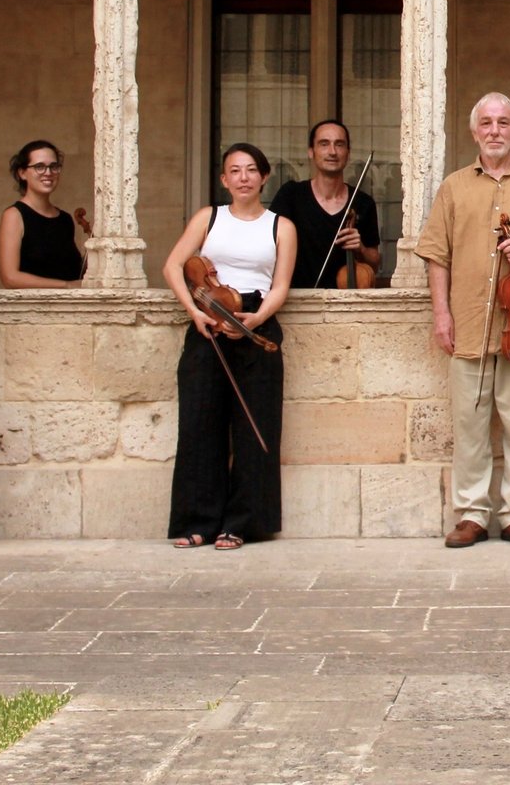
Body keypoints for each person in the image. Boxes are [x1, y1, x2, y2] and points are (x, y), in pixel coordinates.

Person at [417, 92, 510, 549]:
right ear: (474, 131)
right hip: (467, 319)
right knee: (469, 421)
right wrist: (441, 314)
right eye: (487, 123)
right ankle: (472, 514)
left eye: (503, 123)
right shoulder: (454, 187)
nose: (495, 130)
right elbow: (436, 255)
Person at [162, 143, 297, 550]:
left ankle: (241, 524)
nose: (243, 177)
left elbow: (281, 285)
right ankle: (197, 521)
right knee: (200, 425)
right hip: (208, 315)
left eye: (251, 170)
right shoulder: (209, 218)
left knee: (255, 427)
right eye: (234, 171)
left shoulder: (281, 226)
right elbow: (173, 266)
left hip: (255, 317)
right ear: (224, 179)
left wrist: (256, 319)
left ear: (264, 176)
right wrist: (194, 312)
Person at [270, 118, 382, 289]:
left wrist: (361, 249)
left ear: (348, 152)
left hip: (346, 304)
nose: (332, 152)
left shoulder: (363, 202)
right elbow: (269, 250)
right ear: (311, 151)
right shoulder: (290, 196)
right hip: (297, 300)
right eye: (324, 144)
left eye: (339, 144)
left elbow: (374, 265)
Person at [0, 140, 85, 287]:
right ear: (22, 173)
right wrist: (66, 285)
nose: (48, 173)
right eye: (39, 167)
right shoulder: (14, 215)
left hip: (68, 307)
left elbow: (70, 270)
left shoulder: (65, 219)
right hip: (32, 308)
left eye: (54, 166)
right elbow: (10, 277)